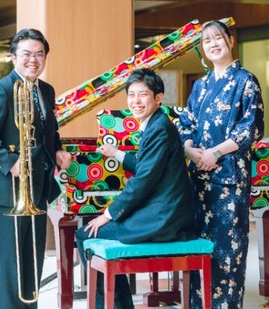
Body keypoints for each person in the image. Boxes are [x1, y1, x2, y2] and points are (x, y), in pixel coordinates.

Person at [76, 68, 197, 309]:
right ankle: (119, 304)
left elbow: (143, 181)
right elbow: (147, 166)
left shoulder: (159, 128)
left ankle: (114, 305)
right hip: (163, 212)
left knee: (85, 233)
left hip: (163, 219)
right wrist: (117, 153)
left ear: (158, 98)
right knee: (94, 228)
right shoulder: (157, 124)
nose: (136, 101)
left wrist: (109, 213)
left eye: (143, 94)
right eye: (131, 95)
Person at [0, 28, 71, 309]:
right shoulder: (1, 89)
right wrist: (10, 162)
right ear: (13, 57)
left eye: (39, 54)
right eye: (26, 54)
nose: (33, 60)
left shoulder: (46, 90)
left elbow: (49, 132)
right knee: (11, 268)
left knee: (33, 264)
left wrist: (57, 150)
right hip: (8, 193)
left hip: (37, 190)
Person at [178, 20, 264, 308]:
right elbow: (186, 124)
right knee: (200, 246)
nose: (213, 44)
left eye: (217, 38)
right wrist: (191, 150)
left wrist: (214, 153)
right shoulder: (200, 86)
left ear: (230, 41)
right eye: (207, 41)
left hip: (229, 178)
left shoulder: (245, 80)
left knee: (229, 248)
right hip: (199, 179)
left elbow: (250, 128)